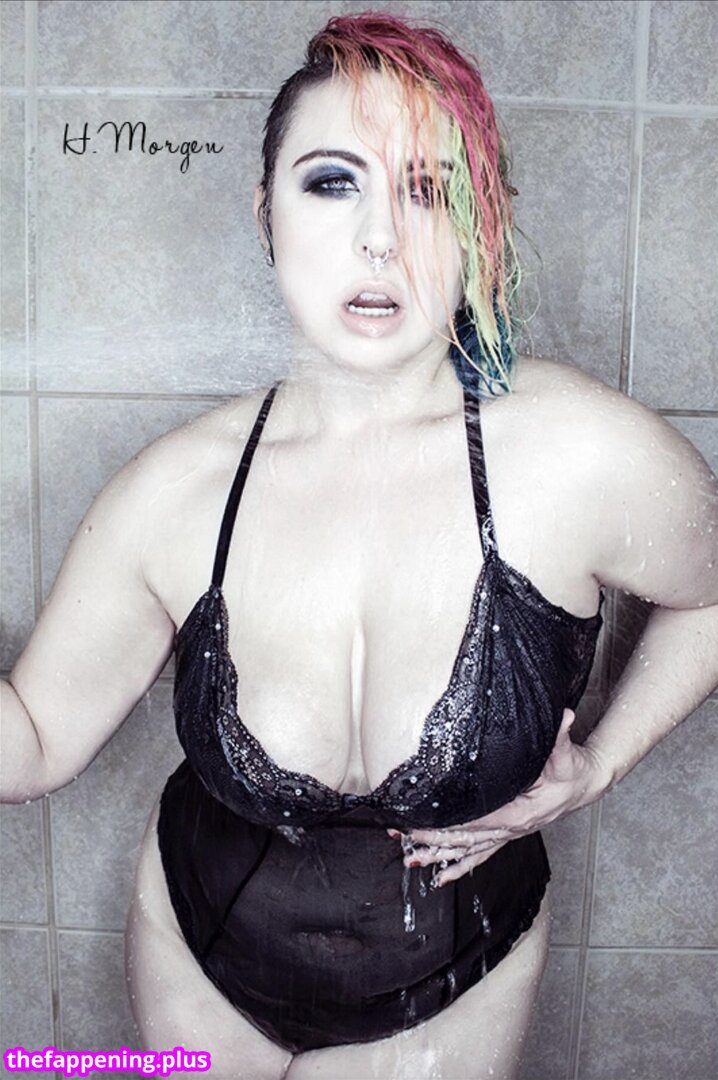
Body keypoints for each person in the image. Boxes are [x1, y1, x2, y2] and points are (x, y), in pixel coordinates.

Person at [2, 12, 717, 1080]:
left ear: (482, 224)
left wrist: (600, 766)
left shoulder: (583, 458)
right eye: (333, 182)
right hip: (196, 951)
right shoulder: (174, 494)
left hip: (456, 981)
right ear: (267, 213)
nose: (381, 237)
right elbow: (30, 744)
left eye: (427, 190)